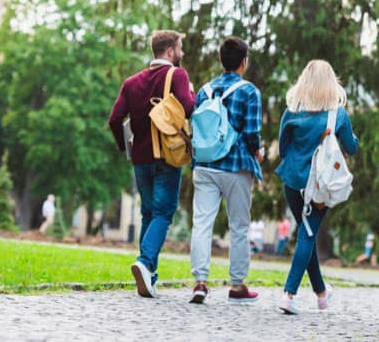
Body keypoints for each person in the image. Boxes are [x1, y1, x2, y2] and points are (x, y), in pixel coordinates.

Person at [108, 30, 196, 298]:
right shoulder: (177, 75)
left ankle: (149, 278)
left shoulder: (131, 82)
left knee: (149, 213)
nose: (182, 53)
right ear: (170, 51)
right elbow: (189, 108)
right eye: (180, 48)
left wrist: (127, 148)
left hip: (140, 160)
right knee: (163, 213)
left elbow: (114, 120)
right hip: (166, 157)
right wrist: (191, 93)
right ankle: (145, 262)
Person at [275, 60, 359, 315]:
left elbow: (282, 149)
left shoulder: (291, 111)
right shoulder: (338, 114)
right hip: (320, 186)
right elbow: (351, 148)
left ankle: (322, 294)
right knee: (307, 236)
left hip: (292, 182)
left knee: (305, 234)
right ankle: (288, 295)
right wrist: (350, 137)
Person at [189, 36, 264, 305]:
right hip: (235, 166)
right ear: (244, 62)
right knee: (240, 227)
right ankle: (237, 285)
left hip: (205, 165)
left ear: (222, 60)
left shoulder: (204, 90)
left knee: (202, 223)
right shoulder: (249, 92)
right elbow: (253, 133)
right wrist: (258, 152)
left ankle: (199, 282)